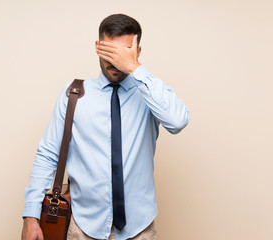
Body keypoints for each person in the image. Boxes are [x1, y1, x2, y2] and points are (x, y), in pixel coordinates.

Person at [22, 13, 190, 240]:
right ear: (97, 47)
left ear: (138, 52)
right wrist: (31, 217)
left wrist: (135, 68)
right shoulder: (74, 95)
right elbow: (47, 155)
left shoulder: (150, 93)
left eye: (124, 53)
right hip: (82, 228)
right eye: (109, 51)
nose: (115, 61)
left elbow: (178, 121)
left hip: (139, 229)